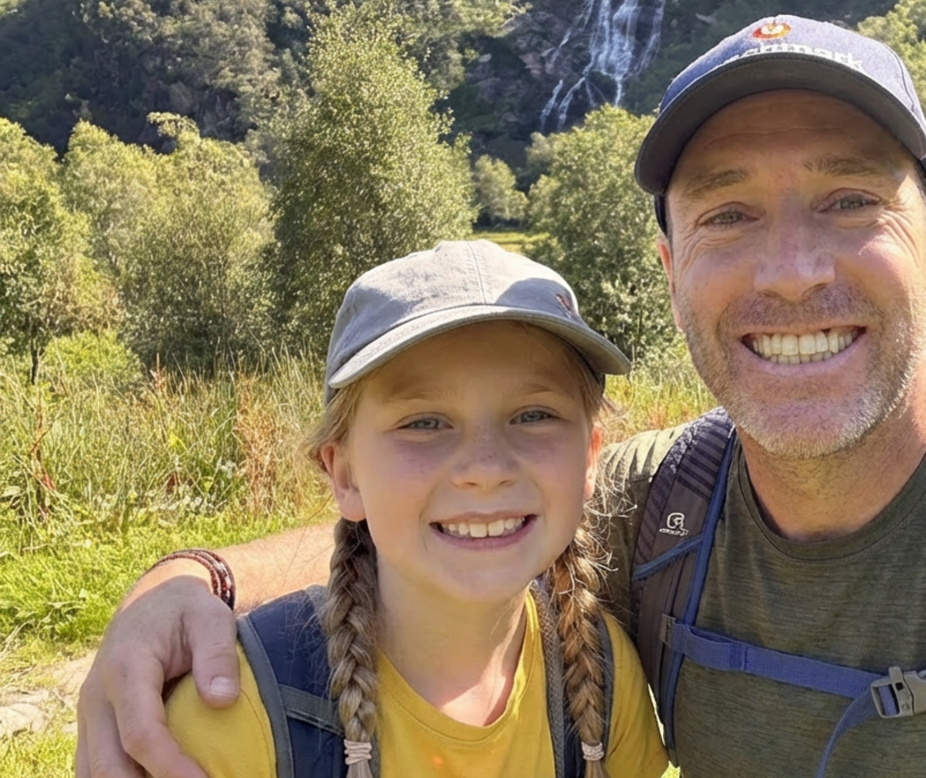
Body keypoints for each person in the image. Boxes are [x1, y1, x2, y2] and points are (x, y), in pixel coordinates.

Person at [78, 15, 926, 778]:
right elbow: (455, 515)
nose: (791, 269)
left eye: (849, 200)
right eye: (728, 213)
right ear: (671, 269)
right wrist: (187, 581)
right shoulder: (659, 510)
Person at [139, 240, 669, 778]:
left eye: (534, 415)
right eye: (424, 423)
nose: (486, 468)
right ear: (345, 475)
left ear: (589, 458)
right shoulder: (236, 718)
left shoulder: (602, 675)